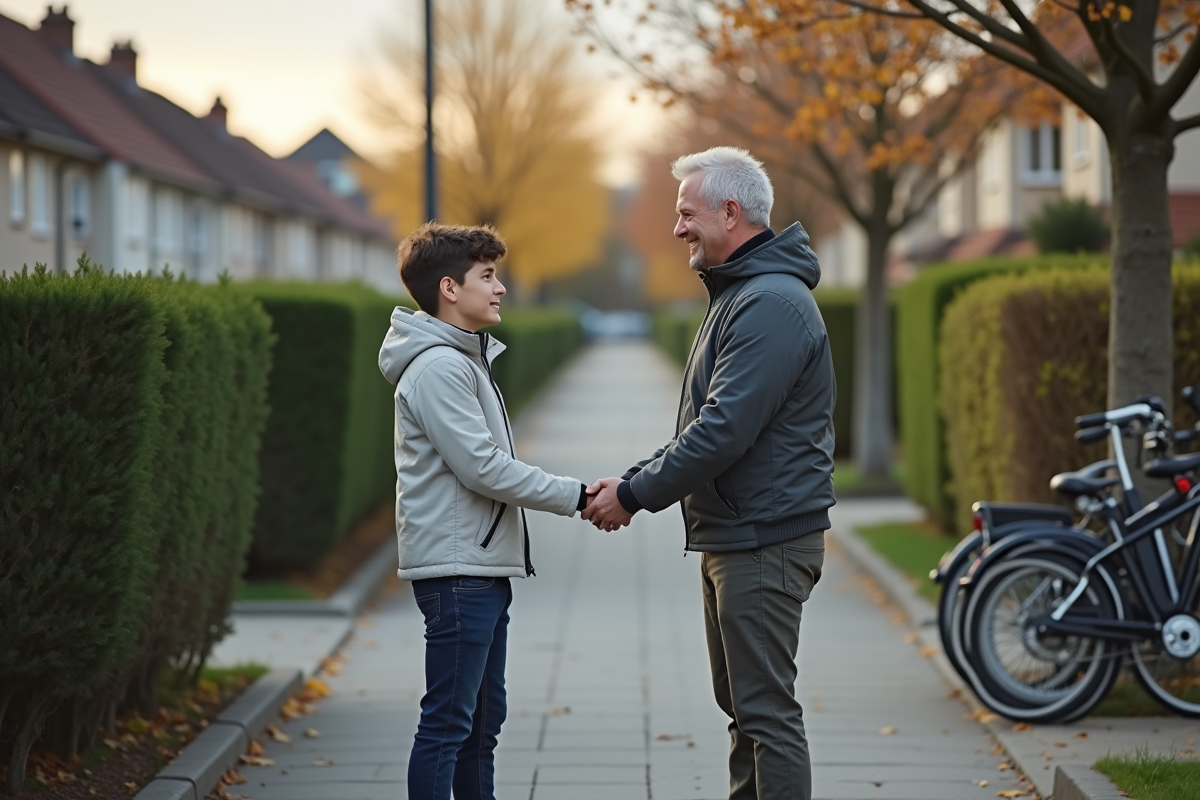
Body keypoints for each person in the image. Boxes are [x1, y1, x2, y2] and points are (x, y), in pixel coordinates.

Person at [583, 146, 836, 800]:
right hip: (738, 535)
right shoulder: (744, 296)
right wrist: (633, 479)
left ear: (730, 212)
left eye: (686, 214)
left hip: (764, 540)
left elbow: (723, 431)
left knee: (765, 714)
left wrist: (634, 495)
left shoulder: (770, 303)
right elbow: (705, 423)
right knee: (744, 711)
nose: (677, 229)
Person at [378, 222, 593, 800]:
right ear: (450, 288)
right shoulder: (440, 367)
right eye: (488, 276)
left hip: (477, 567)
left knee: (479, 724)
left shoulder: (461, 359)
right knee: (449, 725)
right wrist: (576, 496)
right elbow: (483, 468)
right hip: (459, 573)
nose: (500, 288)